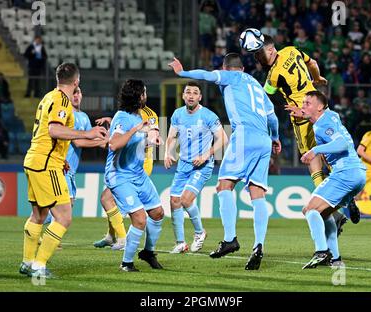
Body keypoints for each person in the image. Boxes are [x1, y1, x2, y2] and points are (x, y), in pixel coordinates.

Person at [169, 54, 281, 270]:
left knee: (224, 185)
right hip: (264, 140)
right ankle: (258, 246)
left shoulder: (232, 77)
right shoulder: (257, 85)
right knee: (257, 192)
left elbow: (206, 75)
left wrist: (182, 72)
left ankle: (230, 238)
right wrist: (275, 138)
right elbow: (273, 116)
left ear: (226, 68)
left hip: (245, 136)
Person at [252, 33, 360, 231]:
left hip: (302, 116)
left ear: (269, 49)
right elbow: (314, 63)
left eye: (259, 54)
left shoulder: (273, 75)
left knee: (311, 159)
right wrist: (317, 78)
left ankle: (332, 207)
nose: (257, 59)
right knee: (329, 150)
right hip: (319, 108)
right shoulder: (292, 50)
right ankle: (348, 197)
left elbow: (264, 95)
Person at [19, 63, 107, 279]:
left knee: (39, 215)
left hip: (36, 160)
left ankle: (27, 261)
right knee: (64, 218)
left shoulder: (48, 96)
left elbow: (43, 133)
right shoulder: (62, 101)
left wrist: (60, 157)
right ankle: (38, 266)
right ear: (76, 81)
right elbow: (54, 129)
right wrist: (87, 134)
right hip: (46, 165)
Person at [299, 91, 366, 269]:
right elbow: (326, 115)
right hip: (358, 174)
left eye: (307, 103)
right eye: (303, 103)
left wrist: (315, 150)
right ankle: (335, 259)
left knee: (309, 210)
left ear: (319, 107)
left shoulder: (323, 125)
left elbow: (342, 143)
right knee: (324, 213)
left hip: (345, 172)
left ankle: (321, 251)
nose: (303, 106)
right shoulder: (331, 115)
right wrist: (304, 112)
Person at [105, 79, 164, 272]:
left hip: (138, 174)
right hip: (120, 175)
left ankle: (148, 252)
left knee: (157, 213)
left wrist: (150, 141)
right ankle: (126, 263)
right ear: (139, 96)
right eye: (144, 92)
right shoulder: (122, 117)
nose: (146, 95)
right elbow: (114, 144)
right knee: (139, 218)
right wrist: (136, 130)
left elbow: (136, 145)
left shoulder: (140, 117)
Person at [164, 81, 228, 254]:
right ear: (183, 96)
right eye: (188, 92)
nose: (191, 95)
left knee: (185, 200)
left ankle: (200, 233)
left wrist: (206, 155)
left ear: (200, 97)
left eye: (195, 93)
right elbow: (171, 136)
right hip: (183, 164)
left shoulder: (208, 116)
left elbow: (223, 138)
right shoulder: (178, 114)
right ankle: (180, 243)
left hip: (202, 166)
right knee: (174, 201)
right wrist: (168, 153)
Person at [42, 86, 109, 247]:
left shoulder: (84, 117)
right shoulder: (66, 114)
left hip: (71, 170)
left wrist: (109, 140)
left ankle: (40, 227)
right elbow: (78, 141)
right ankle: (48, 237)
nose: (76, 96)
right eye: (74, 93)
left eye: (78, 92)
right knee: (65, 207)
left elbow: (92, 140)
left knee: (62, 206)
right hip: (60, 166)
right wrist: (104, 142)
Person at [93, 104, 160, 251]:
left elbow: (148, 138)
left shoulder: (149, 114)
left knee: (107, 199)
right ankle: (111, 235)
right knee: (111, 200)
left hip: (138, 166)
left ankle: (122, 238)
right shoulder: (128, 112)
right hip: (126, 165)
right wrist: (112, 123)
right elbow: (127, 130)